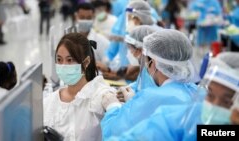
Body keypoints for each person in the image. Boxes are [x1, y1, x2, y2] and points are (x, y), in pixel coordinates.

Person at [106, 52, 239, 141]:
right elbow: (146, 134)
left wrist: (113, 107)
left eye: (227, 101)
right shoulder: (187, 117)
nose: (214, 106)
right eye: (210, 95)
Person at [101, 29, 198, 139]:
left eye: (147, 60)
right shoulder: (196, 91)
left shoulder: (151, 98)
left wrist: (112, 106)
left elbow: (114, 132)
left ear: (154, 62)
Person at [43, 33, 116, 141]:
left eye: (70, 60)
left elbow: (120, 123)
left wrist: (113, 105)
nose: (63, 65)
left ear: (86, 62)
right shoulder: (49, 101)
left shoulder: (99, 96)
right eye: (59, 60)